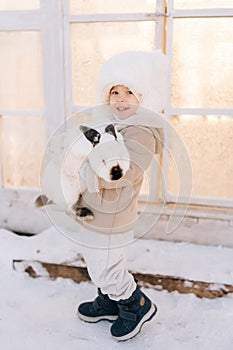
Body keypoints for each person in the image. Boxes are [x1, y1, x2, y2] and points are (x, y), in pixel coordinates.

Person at [76, 50, 169, 341]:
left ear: (146, 96)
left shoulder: (140, 131)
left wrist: (86, 171)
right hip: (97, 207)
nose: (121, 98)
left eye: (130, 91)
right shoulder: (111, 125)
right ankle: (109, 299)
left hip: (114, 211)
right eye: (115, 91)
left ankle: (133, 303)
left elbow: (123, 174)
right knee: (96, 257)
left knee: (106, 261)